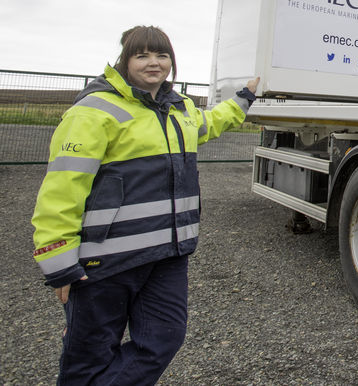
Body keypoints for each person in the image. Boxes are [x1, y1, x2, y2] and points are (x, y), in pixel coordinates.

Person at [31, 25, 259, 385]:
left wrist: (245, 96)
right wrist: (58, 259)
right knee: (88, 357)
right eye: (143, 55)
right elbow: (62, 188)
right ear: (125, 60)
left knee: (163, 340)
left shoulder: (179, 109)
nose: (154, 63)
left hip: (166, 255)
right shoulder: (93, 111)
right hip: (104, 260)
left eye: (162, 55)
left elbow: (211, 123)